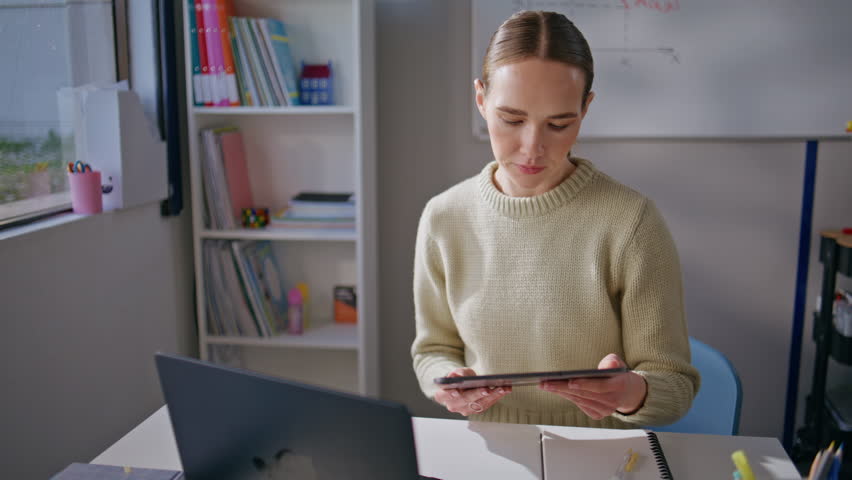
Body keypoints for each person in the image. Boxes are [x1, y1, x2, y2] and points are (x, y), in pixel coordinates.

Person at [410, 10, 699, 429]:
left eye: (559, 124)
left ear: (586, 108)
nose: (532, 147)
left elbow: (675, 385)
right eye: (511, 119)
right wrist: (448, 384)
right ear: (480, 99)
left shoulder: (631, 222)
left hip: (604, 452)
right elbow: (432, 350)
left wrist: (631, 392)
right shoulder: (444, 217)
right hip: (486, 445)